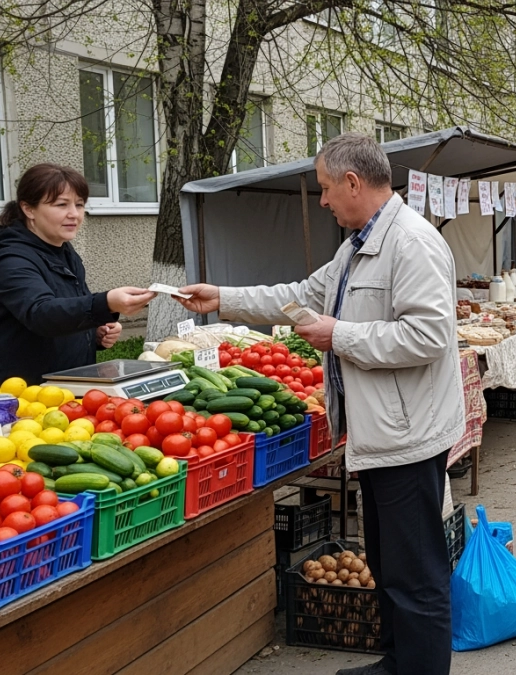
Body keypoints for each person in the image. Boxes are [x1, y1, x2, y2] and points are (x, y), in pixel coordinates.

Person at [175, 133, 464, 675]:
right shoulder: (356, 244)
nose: (325, 201)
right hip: (380, 434)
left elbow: (429, 337)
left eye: (328, 189)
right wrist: (226, 299)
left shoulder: (413, 244)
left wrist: (343, 335)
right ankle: (399, 661)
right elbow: (303, 297)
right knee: (388, 563)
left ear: (354, 183)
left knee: (417, 576)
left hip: (407, 438)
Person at [0, 164, 156, 389]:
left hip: (57, 392)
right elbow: (41, 314)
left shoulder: (63, 250)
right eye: (61, 205)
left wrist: (93, 333)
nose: (74, 214)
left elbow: (65, 310)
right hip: (8, 396)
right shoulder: (9, 259)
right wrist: (105, 303)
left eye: (79, 204)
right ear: (28, 209)